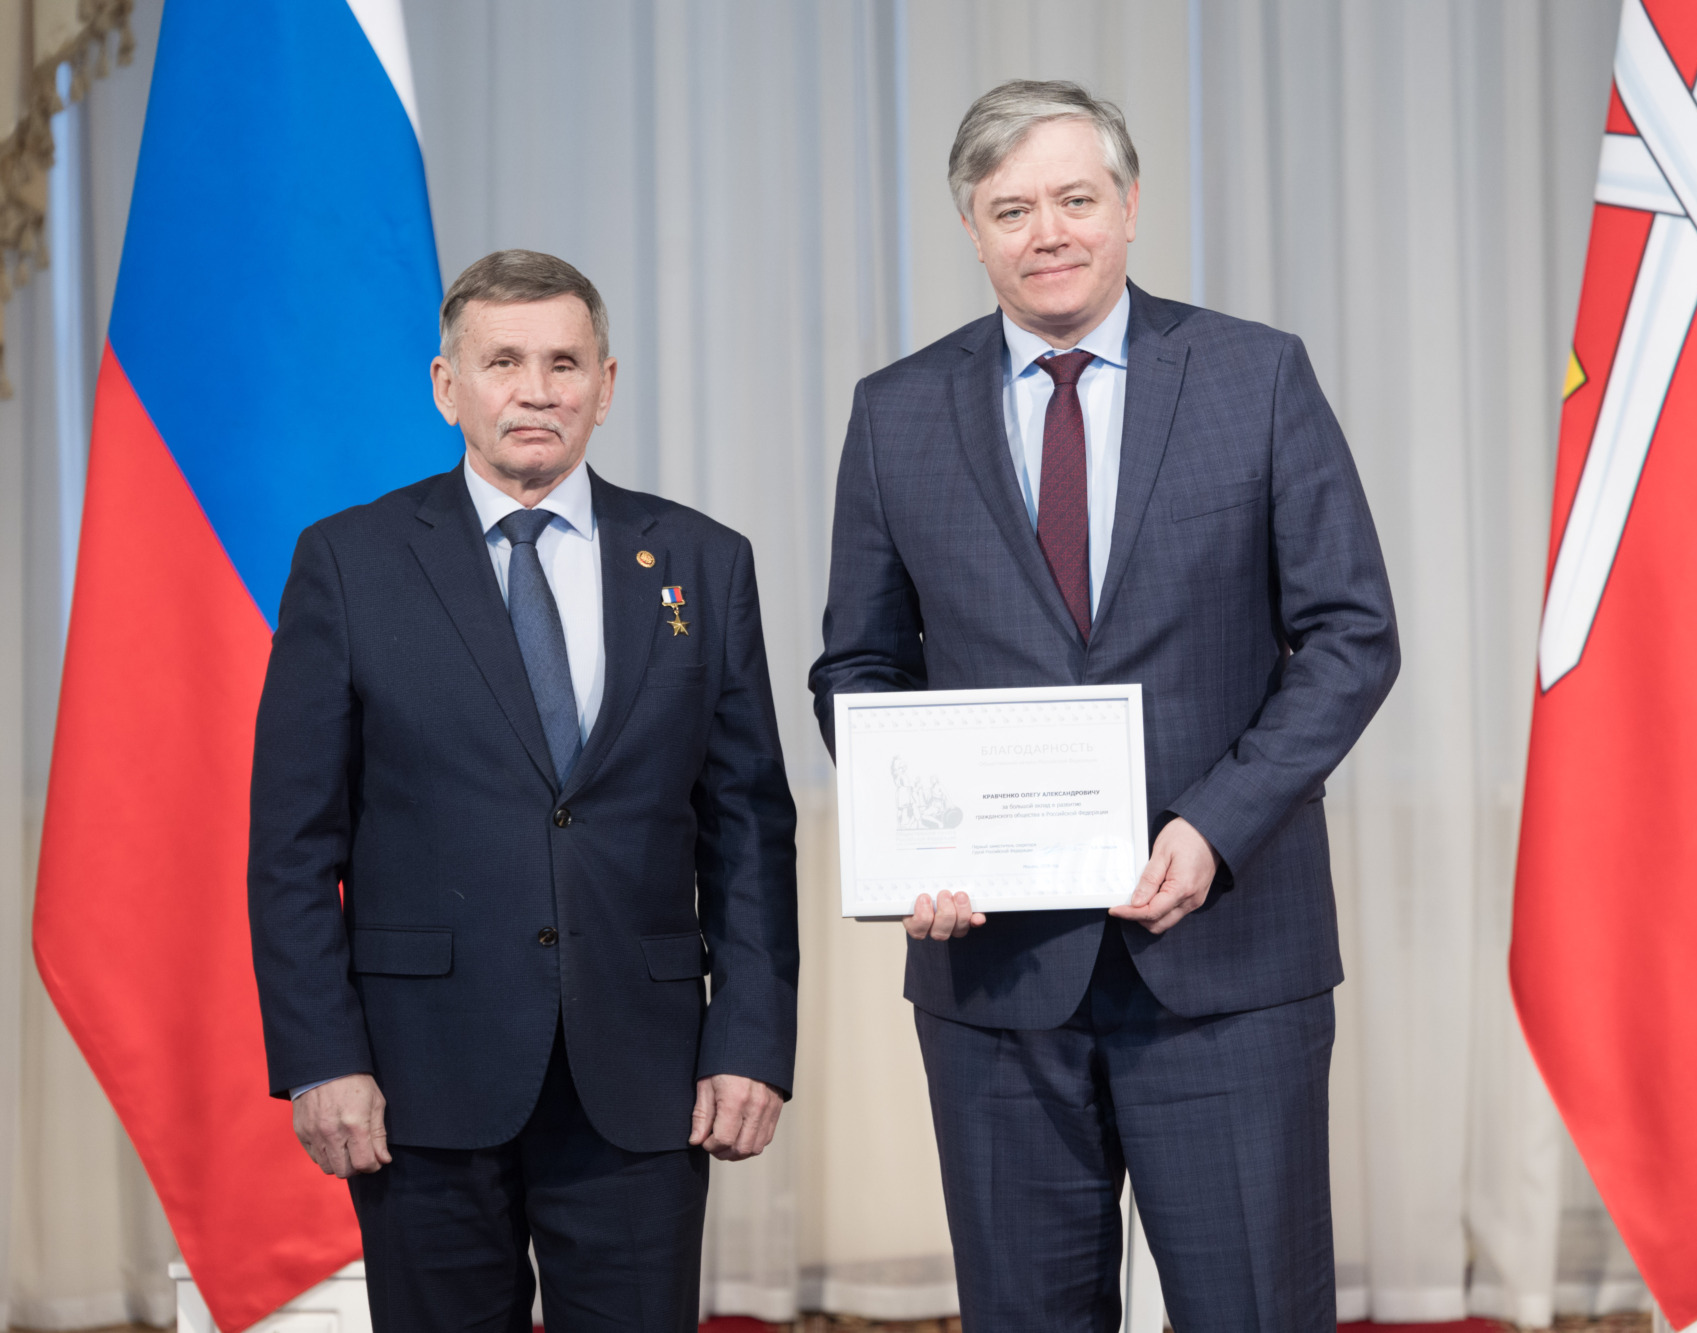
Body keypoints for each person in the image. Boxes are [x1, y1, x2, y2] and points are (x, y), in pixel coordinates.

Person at [809, 81, 1398, 1330]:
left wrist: (1215, 824)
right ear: (970, 229)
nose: (1048, 233)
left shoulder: (1254, 375)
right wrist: (916, 839)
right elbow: (856, 666)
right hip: (995, 978)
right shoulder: (895, 410)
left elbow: (1351, 636)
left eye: (1074, 199)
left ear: (1128, 207)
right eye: (1010, 209)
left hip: (1226, 958)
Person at [250, 250, 798, 1331]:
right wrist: (321, 1059)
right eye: (503, 361)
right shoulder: (349, 562)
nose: (536, 389)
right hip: (418, 1082)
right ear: (447, 385)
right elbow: (294, 846)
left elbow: (747, 829)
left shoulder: (702, 560)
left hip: (642, 1078)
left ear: (605, 384)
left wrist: (749, 1041)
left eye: (563, 362)